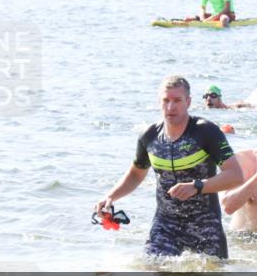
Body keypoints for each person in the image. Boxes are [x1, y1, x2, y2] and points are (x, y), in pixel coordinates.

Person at [95, 75, 244, 259]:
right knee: (152, 271)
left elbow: (236, 175)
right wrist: (110, 197)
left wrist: (197, 186)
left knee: (212, 275)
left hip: (205, 223)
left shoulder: (206, 131)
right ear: (159, 101)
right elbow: (136, 174)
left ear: (188, 102)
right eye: (166, 100)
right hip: (166, 223)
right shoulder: (149, 136)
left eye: (177, 100)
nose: (171, 107)